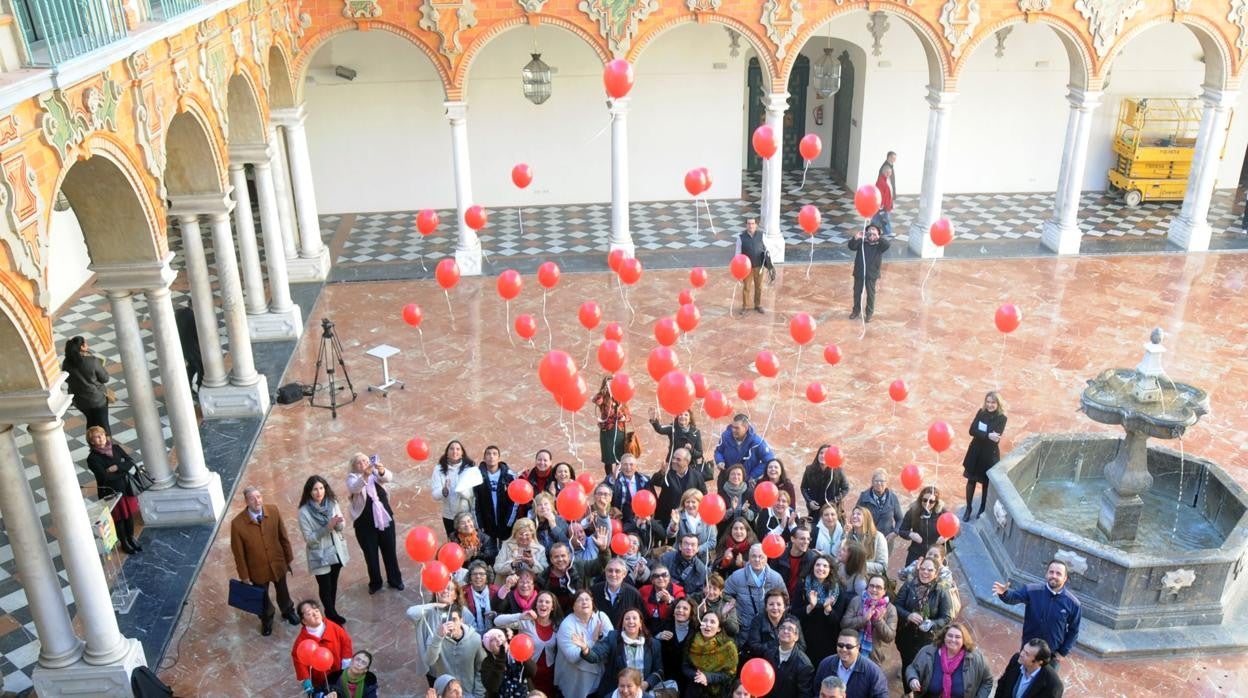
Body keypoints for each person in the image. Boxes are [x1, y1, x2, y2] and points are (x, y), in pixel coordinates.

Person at [230, 485, 298, 635]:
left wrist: (289, 558)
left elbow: (283, 536)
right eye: (252, 499)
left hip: (278, 562)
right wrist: (244, 576)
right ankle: (267, 619)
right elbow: (238, 553)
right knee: (262, 596)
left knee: (283, 589)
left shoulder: (273, 511)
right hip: (257, 569)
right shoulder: (237, 524)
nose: (257, 501)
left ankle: (287, 610)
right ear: (246, 502)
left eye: (259, 497)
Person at [991, 560, 1081, 669]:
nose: (1054, 576)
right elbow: (1014, 597)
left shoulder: (1073, 603)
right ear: (1046, 574)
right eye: (1051, 572)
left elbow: (1074, 630)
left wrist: (1063, 652)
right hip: (1028, 650)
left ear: (1065, 578)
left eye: (1058, 573)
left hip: (1051, 656)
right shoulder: (1032, 590)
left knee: (1046, 685)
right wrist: (1005, 593)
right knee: (1019, 680)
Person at [346, 453, 403, 594]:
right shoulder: (352, 478)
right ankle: (375, 583)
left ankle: (395, 580)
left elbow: (388, 477)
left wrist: (382, 470)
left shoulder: (376, 473)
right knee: (371, 555)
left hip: (384, 519)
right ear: (354, 466)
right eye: (359, 463)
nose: (363, 464)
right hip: (364, 524)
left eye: (365, 461)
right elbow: (355, 488)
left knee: (390, 550)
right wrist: (365, 476)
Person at [298, 475, 350, 625]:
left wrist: (339, 524)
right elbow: (309, 539)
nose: (319, 492)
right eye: (315, 489)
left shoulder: (332, 503)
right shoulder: (304, 512)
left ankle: (330, 610)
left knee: (333, 583)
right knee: (325, 586)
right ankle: (331, 613)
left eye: (321, 488)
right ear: (309, 491)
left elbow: (340, 526)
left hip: (336, 550)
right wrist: (327, 527)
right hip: (320, 554)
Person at [84, 426, 142, 554]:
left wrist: (116, 467)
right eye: (97, 437)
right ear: (92, 441)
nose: (102, 438)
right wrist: (123, 469)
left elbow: (130, 462)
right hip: (112, 492)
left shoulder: (115, 448)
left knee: (129, 516)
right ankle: (124, 542)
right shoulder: (93, 458)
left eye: (103, 435)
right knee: (119, 518)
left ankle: (131, 538)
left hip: (126, 488)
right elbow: (104, 477)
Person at [495, 590, 563, 696]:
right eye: (540, 601)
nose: (543, 604)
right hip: (528, 673)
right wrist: (520, 616)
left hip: (549, 675)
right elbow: (497, 621)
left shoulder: (557, 625)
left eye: (547, 602)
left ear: (553, 607)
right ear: (536, 604)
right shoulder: (526, 622)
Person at [584, 608, 663, 697]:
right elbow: (595, 656)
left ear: (640, 623)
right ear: (623, 624)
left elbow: (659, 670)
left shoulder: (653, 644)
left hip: (642, 692)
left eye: (634, 618)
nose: (631, 621)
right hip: (616, 691)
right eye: (627, 618)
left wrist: (647, 683)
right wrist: (585, 649)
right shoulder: (613, 638)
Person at [895, 559, 954, 677]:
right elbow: (896, 605)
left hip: (928, 639)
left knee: (924, 666)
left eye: (930, 570)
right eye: (922, 569)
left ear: (936, 573)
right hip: (906, 634)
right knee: (907, 663)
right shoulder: (909, 585)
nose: (925, 572)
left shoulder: (941, 591)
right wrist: (908, 615)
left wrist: (932, 623)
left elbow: (946, 617)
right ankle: (908, 692)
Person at [905, 622, 995, 698]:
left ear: (964, 640)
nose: (953, 639)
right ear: (944, 637)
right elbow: (912, 668)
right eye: (950, 636)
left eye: (957, 637)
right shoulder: (928, 651)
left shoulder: (976, 658)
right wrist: (913, 679)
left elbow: (987, 681)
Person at [794, 552, 852, 663]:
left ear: (830, 569)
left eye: (825, 566)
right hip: (805, 637)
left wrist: (828, 609)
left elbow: (837, 621)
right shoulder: (802, 586)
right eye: (818, 565)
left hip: (828, 640)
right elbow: (795, 614)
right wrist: (810, 607)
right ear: (812, 567)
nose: (821, 568)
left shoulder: (838, 590)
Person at [557, 589, 615, 698]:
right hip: (576, 681)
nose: (584, 602)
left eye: (587, 599)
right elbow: (572, 657)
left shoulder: (601, 617)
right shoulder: (567, 625)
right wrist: (593, 640)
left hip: (600, 679)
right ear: (573, 606)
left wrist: (600, 637)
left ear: (592, 602)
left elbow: (611, 644)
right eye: (580, 600)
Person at [291, 599, 354, 696]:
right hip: (318, 677)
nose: (315, 614)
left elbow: (346, 641)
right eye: (309, 613)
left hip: (336, 670)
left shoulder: (333, 626)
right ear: (304, 621)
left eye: (316, 611)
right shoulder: (301, 641)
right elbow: (298, 660)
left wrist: (346, 661)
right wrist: (306, 678)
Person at [962, 391, 1008, 521]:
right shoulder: (981, 412)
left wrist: (982, 433)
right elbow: (972, 430)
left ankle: (982, 507)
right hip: (975, 452)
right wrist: (988, 434)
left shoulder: (1002, 418)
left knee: (986, 484)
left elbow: (996, 438)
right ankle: (969, 508)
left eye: (993, 402)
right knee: (971, 481)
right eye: (988, 402)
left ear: (998, 404)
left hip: (989, 455)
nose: (990, 405)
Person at [424, 605, 487, 697]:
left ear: (462, 620)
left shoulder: (475, 639)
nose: (449, 623)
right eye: (445, 620)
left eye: (454, 619)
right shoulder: (435, 637)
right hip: (447, 694)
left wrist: (478, 694)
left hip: (469, 693)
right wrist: (438, 638)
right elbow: (429, 661)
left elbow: (481, 668)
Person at [722, 543, 784, 630]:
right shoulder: (737, 576)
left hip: (768, 628)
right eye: (753, 556)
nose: (757, 560)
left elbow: (785, 601)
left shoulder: (776, 578)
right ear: (749, 558)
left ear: (767, 558)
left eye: (761, 557)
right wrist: (733, 605)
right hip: (743, 626)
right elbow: (724, 593)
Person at [812, 629, 888, 698]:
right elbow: (817, 692)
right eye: (840, 645)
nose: (844, 649)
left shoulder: (873, 672)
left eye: (849, 646)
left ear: (858, 647)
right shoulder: (825, 664)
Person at [841, 574, 897, 665]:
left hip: (876, 657)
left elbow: (889, 637)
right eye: (871, 586)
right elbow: (844, 624)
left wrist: (879, 621)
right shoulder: (857, 601)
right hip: (853, 652)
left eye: (878, 587)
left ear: (884, 591)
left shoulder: (891, 609)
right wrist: (864, 619)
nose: (874, 589)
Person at [62, 336, 111, 434]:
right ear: (82, 347)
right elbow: (105, 378)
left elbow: (67, 379)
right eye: (86, 343)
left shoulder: (66, 363)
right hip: (97, 399)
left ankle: (92, 443)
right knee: (103, 424)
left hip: (79, 401)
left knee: (91, 422)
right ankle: (106, 446)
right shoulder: (92, 361)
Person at [682, 610, 737, 697]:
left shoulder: (728, 647)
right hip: (694, 689)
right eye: (704, 621)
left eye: (712, 622)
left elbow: (730, 674)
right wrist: (698, 676)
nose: (707, 624)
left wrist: (708, 677)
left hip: (718, 692)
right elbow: (685, 667)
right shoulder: (691, 641)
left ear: (719, 628)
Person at [741, 587, 803, 662]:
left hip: (787, 663)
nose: (775, 607)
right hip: (763, 663)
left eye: (779, 604)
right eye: (771, 604)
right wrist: (778, 643)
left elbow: (801, 646)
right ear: (766, 607)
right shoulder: (757, 621)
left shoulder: (794, 621)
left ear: (784, 607)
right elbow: (754, 647)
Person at [651, 447, 705, 531]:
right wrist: (661, 473)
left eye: (678, 459)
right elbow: (655, 482)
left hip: (687, 519)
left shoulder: (696, 476)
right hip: (665, 517)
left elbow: (703, 495)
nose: (674, 461)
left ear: (687, 462)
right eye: (673, 458)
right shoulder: (667, 472)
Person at [761, 617, 815, 698]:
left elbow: (804, 694)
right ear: (778, 633)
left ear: (796, 637)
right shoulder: (769, 654)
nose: (785, 631)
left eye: (790, 629)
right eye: (783, 628)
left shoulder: (804, 665)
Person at [847, 223, 890, 323]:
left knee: (870, 294)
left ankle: (869, 313)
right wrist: (856, 237)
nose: (871, 234)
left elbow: (887, 245)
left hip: (871, 275)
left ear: (878, 234)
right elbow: (851, 247)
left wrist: (878, 237)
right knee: (857, 293)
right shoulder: (862, 243)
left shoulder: (880, 245)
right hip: (859, 273)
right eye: (869, 231)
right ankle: (856, 311)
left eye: (873, 231)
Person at [433, 440, 477, 537]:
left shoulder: (469, 468)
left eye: (458, 449)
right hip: (449, 515)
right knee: (453, 544)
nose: (454, 451)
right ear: (447, 453)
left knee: (469, 543)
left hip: (466, 515)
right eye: (451, 448)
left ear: (462, 453)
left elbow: (473, 494)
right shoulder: (438, 469)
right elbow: (435, 495)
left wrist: (462, 491)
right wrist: (444, 491)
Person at [713, 414, 775, 482]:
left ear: (746, 428)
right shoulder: (725, 436)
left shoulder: (757, 442)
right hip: (726, 478)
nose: (733, 430)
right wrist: (719, 461)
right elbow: (718, 451)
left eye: (737, 428)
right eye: (732, 427)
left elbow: (769, 460)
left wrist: (753, 475)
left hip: (746, 482)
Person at [476, 445, 519, 543]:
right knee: (490, 553)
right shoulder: (477, 476)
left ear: (499, 458)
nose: (491, 456)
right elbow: (475, 503)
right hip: (487, 523)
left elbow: (515, 502)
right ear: (484, 458)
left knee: (506, 552)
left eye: (494, 454)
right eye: (488, 454)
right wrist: (480, 525)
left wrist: (509, 523)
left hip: (505, 522)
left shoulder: (509, 476)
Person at [994, 638, 1064, 698]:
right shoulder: (1016, 660)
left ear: (1040, 662)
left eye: (1027, 654)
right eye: (1023, 650)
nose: (1021, 654)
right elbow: (1002, 685)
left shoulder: (1053, 685)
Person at [899, 486, 949, 567]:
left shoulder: (942, 512)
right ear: (921, 498)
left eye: (931, 501)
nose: (927, 503)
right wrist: (911, 534)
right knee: (909, 575)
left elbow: (956, 529)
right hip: (917, 552)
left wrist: (946, 537)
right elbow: (902, 530)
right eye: (925, 500)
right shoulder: (913, 511)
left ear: (936, 502)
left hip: (935, 553)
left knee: (936, 576)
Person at [648, 407, 705, 478]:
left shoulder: (696, 432)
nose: (683, 416)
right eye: (680, 414)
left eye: (686, 415)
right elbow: (660, 429)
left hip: (690, 468)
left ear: (690, 419)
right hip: (673, 465)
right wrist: (654, 420)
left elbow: (700, 453)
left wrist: (691, 450)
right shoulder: (672, 428)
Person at [855, 470, 903, 553]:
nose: (879, 483)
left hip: (886, 540)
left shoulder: (893, 498)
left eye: (882, 481)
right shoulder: (864, 497)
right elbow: (855, 516)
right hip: (867, 540)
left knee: (883, 564)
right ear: (872, 482)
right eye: (876, 481)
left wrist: (895, 532)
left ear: (886, 482)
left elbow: (900, 519)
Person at [593, 376, 631, 476]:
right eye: (609, 383)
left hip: (619, 431)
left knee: (619, 456)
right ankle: (609, 477)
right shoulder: (603, 398)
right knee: (608, 458)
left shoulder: (621, 397)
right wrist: (603, 390)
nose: (611, 385)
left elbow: (628, 415)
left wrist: (624, 418)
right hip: (607, 432)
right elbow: (595, 400)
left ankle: (620, 477)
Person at [655, 597, 696, 694]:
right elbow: (651, 641)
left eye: (685, 608)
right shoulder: (664, 625)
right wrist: (658, 636)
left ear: (691, 613)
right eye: (678, 607)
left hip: (688, 680)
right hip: (667, 679)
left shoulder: (696, 631)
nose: (680, 610)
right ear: (673, 611)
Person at [800, 445, 851, 520]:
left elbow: (846, 488)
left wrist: (835, 500)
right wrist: (809, 501)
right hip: (816, 509)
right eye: (821, 453)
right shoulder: (809, 470)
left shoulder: (838, 471)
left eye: (826, 454)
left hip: (832, 509)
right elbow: (803, 487)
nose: (823, 455)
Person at [592, 558, 646, 628]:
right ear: (605, 572)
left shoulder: (633, 594)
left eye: (617, 571)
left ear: (624, 574)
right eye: (610, 571)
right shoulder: (594, 590)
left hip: (623, 636)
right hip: (599, 635)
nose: (613, 574)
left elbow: (641, 619)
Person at [734, 217, 773, 315]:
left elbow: (768, 248)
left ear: (756, 225)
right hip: (747, 268)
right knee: (746, 287)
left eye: (752, 223)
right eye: (748, 224)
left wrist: (768, 260)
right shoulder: (740, 238)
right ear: (746, 225)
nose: (750, 225)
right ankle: (745, 306)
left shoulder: (761, 235)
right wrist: (738, 269)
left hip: (759, 266)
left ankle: (757, 305)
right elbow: (737, 254)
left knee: (759, 286)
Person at [482, 627, 536, 698]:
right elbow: (493, 687)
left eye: (499, 636)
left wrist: (521, 655)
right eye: (493, 640)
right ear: (489, 647)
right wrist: (501, 657)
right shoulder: (487, 663)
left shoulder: (516, 651)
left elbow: (532, 672)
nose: (498, 640)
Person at [638, 564, 685, 636]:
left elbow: (682, 612)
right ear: (652, 580)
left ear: (669, 578)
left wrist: (669, 601)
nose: (660, 578)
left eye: (664, 575)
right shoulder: (644, 590)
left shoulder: (678, 591)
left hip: (670, 629)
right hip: (648, 628)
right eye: (656, 576)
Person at [770, 525, 815, 600]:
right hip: (780, 598)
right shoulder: (779, 555)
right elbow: (771, 577)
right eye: (802, 539)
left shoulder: (812, 559)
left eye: (808, 539)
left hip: (801, 600)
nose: (806, 542)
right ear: (792, 539)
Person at [660, 532, 709, 597]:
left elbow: (698, 592)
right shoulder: (666, 558)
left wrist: (683, 598)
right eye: (686, 544)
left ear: (697, 549)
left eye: (693, 545)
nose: (689, 548)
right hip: (664, 595)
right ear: (680, 546)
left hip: (684, 602)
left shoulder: (701, 569)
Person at [667, 489, 716, 556]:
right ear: (683, 503)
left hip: (700, 558)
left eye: (693, 502)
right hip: (679, 556)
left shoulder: (708, 517)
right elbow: (669, 535)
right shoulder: (678, 514)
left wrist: (697, 550)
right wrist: (674, 524)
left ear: (700, 503)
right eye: (687, 502)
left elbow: (712, 542)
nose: (690, 505)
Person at [692, 573, 741, 638]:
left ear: (721, 591)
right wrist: (699, 613)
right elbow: (691, 626)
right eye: (708, 587)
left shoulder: (728, 604)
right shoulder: (695, 599)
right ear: (704, 588)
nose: (711, 592)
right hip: (698, 639)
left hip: (720, 641)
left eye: (715, 589)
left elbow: (734, 631)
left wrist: (723, 617)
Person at [843, 507, 888, 577]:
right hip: (850, 579)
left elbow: (883, 566)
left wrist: (859, 566)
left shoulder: (878, 537)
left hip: (870, 581)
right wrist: (845, 534)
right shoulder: (848, 535)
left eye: (858, 514)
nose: (854, 516)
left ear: (867, 518)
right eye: (853, 514)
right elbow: (839, 556)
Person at [609, 453, 650, 523]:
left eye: (631, 464)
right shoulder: (614, 479)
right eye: (625, 464)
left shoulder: (644, 480)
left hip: (641, 518)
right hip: (621, 519)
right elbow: (603, 489)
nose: (628, 468)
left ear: (636, 466)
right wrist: (613, 479)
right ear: (620, 466)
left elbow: (651, 500)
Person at [174, 305, 204, 396]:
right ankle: (200, 390)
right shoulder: (194, 318)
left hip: (183, 347)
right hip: (194, 349)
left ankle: (187, 389)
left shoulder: (180, 313)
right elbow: (198, 335)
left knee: (191, 368)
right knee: (201, 369)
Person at [871, 154, 895, 238]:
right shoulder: (881, 182)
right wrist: (882, 205)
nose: (889, 174)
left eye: (890, 172)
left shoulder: (886, 179)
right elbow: (881, 194)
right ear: (883, 172)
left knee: (877, 218)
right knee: (884, 219)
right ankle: (887, 232)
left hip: (884, 205)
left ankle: (871, 230)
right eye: (887, 172)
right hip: (882, 206)